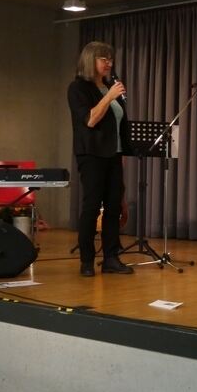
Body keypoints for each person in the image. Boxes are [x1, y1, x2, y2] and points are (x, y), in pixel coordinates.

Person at [66, 41, 133, 277]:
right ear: (90, 60)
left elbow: (118, 127)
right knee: (92, 207)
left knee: (113, 208)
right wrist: (110, 96)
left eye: (110, 59)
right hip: (92, 155)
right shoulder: (78, 88)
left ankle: (111, 258)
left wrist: (122, 155)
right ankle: (86, 260)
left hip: (113, 155)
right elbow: (90, 120)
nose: (109, 63)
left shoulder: (110, 87)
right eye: (103, 59)